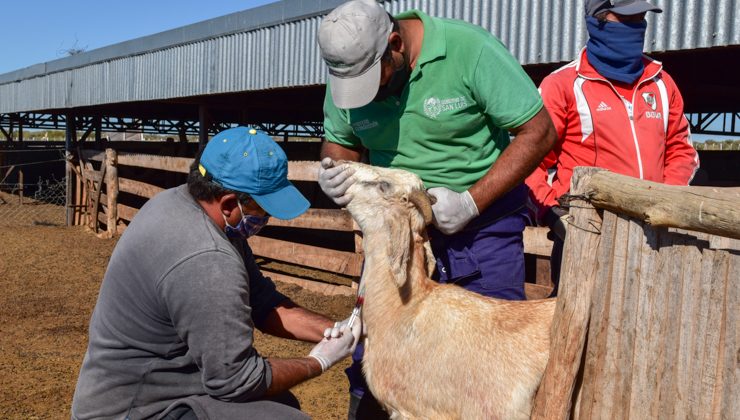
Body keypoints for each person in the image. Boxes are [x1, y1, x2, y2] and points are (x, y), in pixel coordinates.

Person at [316, 0, 556, 417]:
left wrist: (471, 201)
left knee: (488, 365)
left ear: (395, 44)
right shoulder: (351, 69)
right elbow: (340, 142)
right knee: (378, 358)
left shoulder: (470, 50)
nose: (367, 94)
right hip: (397, 233)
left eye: (376, 79)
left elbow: (538, 132)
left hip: (481, 230)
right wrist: (334, 172)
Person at [71, 126, 361, 420]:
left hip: (159, 384)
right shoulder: (207, 258)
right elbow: (237, 379)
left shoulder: (183, 204)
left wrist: (337, 330)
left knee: (282, 402)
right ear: (229, 203)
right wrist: (318, 361)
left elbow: (263, 302)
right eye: (264, 208)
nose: (267, 218)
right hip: (136, 407)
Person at [525, 0, 699, 296]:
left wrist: (665, 202)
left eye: (641, 19)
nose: (637, 28)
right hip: (587, 239)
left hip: (652, 238)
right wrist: (554, 214)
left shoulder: (661, 83)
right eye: (627, 19)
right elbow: (529, 163)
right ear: (597, 20)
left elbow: (681, 150)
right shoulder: (563, 85)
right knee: (582, 332)